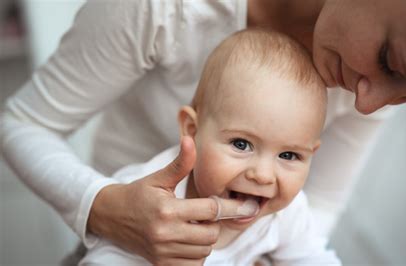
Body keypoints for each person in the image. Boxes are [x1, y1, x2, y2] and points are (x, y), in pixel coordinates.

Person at [0, 0, 406, 265]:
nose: (369, 104)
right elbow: (21, 123)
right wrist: (103, 207)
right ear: (190, 125)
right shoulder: (164, 8)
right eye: (390, 61)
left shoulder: (372, 91)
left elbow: (315, 216)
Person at [79, 28, 340, 266]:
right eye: (241, 144)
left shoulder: (287, 214)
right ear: (192, 130)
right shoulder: (147, 198)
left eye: (288, 155)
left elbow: (314, 259)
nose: (263, 175)